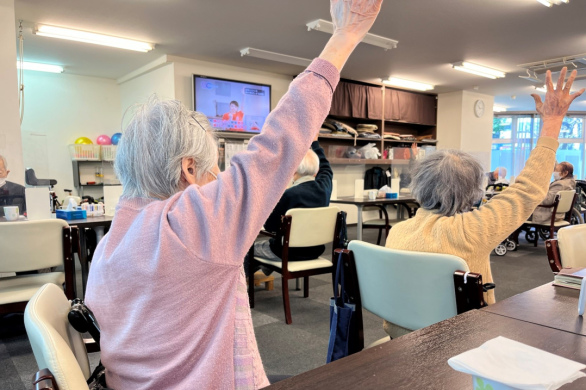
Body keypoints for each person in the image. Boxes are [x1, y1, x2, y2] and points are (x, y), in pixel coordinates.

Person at [84, 1, 383, 389]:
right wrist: (346, 35)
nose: (221, 178)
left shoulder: (106, 247)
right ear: (189, 170)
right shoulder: (193, 221)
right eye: (216, 169)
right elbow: (281, 138)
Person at [383, 68, 584, 339]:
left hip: (400, 340)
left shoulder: (397, 231)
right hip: (462, 340)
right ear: (471, 192)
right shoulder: (473, 230)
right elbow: (529, 189)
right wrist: (552, 122)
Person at [248, 136, 333, 274]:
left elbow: (270, 227)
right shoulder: (325, 188)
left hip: (288, 253)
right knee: (271, 247)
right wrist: (315, 142)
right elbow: (327, 169)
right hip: (315, 251)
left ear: (293, 171)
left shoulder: (288, 195)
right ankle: (263, 273)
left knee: (248, 250)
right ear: (316, 171)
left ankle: (239, 289)